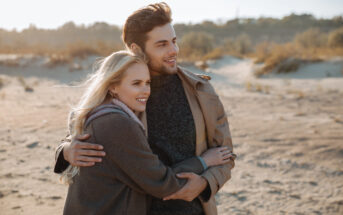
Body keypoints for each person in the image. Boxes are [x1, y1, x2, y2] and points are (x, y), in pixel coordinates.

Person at [55, 3, 235, 215]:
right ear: (136, 49)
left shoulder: (201, 91)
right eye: (162, 44)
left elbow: (225, 155)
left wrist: (205, 184)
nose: (173, 51)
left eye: (174, 41)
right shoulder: (119, 92)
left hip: (190, 208)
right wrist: (66, 150)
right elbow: (81, 132)